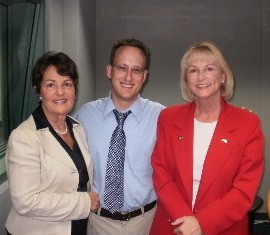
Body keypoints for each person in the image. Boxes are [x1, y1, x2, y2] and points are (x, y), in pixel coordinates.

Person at [150, 41, 264, 235]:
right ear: (186, 79)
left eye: (209, 68)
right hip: (173, 224)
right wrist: (186, 221)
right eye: (193, 70)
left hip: (224, 227)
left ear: (222, 76)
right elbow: (161, 174)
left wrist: (201, 223)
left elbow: (245, 189)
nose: (201, 77)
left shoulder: (248, 123)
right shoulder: (168, 118)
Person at [74, 38, 164, 235]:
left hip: (146, 223)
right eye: (122, 67)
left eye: (137, 69)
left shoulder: (161, 117)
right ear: (109, 71)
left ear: (145, 76)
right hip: (98, 223)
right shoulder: (85, 116)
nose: (128, 76)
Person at [5, 51, 99, 235]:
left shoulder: (77, 128)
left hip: (76, 228)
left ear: (75, 89)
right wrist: (85, 202)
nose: (60, 92)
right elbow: (26, 201)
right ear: (38, 89)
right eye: (50, 85)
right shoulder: (24, 137)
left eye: (67, 84)